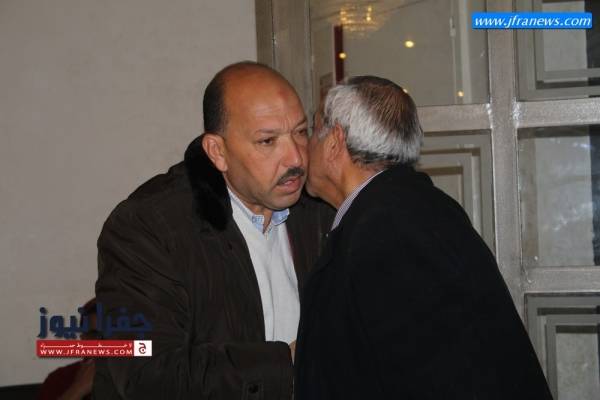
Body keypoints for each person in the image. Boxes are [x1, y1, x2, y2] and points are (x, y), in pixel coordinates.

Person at [294, 76, 552, 400]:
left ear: (334, 141)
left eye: (312, 130)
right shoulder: (410, 207)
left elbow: (433, 376)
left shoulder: (386, 229)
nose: (303, 148)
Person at [93, 61, 333, 399]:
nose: (295, 158)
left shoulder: (321, 207)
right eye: (268, 141)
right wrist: (290, 364)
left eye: (300, 132)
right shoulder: (148, 226)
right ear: (217, 152)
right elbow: (148, 375)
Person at [38, 299, 98, 400]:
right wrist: (78, 389)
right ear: (84, 340)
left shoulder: (128, 379)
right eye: (94, 335)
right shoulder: (60, 379)